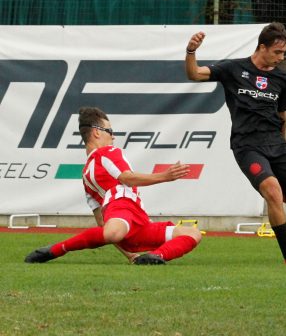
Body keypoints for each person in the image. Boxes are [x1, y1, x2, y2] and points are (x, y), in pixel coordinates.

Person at [185, 22, 286, 266]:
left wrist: (283, 149)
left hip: (277, 146)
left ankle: (281, 185)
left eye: (284, 52)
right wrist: (191, 52)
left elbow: (282, 117)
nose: (282, 57)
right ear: (262, 47)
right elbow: (194, 74)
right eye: (278, 52)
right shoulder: (234, 69)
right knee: (272, 192)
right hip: (247, 146)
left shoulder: (281, 77)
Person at [25, 107, 202, 265]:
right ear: (96, 132)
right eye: (110, 130)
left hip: (138, 222)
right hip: (122, 211)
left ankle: (155, 257)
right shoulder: (108, 152)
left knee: (194, 233)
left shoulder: (86, 173)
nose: (113, 136)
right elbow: (126, 178)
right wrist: (164, 176)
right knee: (112, 232)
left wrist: (130, 255)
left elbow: (102, 223)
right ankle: (56, 249)